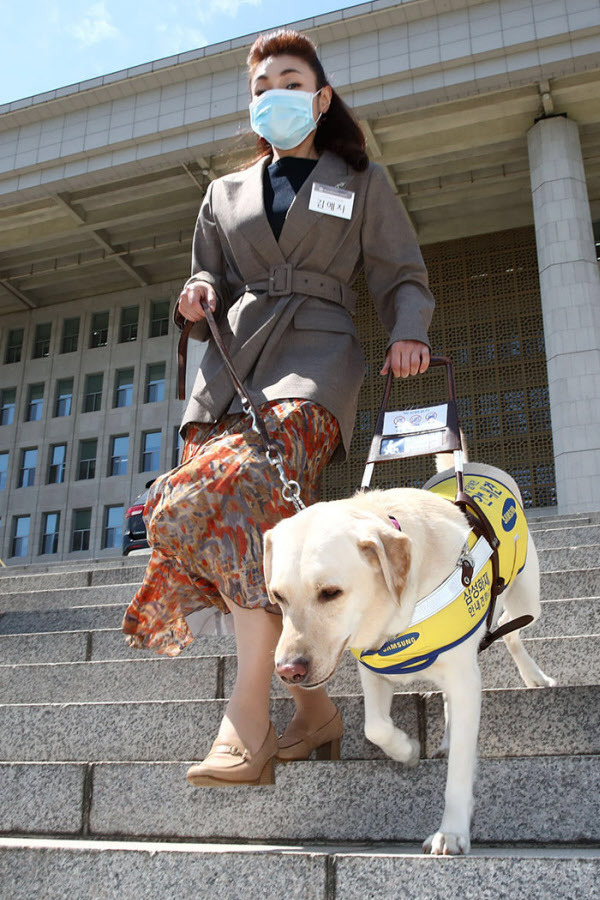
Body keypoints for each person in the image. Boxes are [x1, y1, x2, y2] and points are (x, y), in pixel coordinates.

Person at [122, 28, 434, 787]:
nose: (273, 96)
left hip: (317, 363)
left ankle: (246, 721)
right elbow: (208, 275)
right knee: (199, 513)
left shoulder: (358, 179)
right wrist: (197, 294)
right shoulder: (221, 194)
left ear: (319, 98)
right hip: (230, 372)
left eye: (288, 81)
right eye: (261, 86)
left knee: (252, 487)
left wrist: (409, 334)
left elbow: (403, 275)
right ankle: (318, 712)